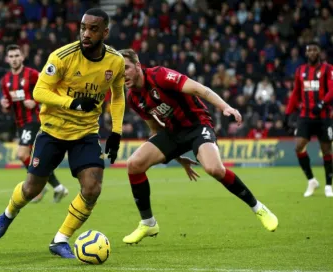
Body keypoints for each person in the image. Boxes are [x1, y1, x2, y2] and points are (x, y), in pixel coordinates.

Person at [0, 8, 125, 258]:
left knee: (93, 188)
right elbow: (39, 91)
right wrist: (71, 103)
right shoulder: (62, 56)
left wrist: (116, 131)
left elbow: (117, 96)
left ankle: (60, 239)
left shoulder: (116, 61)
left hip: (85, 133)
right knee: (31, 189)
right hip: (52, 130)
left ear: (105, 32)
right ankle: (9, 213)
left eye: (93, 29)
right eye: (83, 27)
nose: (86, 33)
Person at [118, 48, 278, 245]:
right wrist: (178, 157)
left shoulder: (160, 76)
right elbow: (155, 129)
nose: (122, 73)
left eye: (125, 68)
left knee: (213, 168)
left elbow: (199, 89)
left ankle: (258, 208)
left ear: (138, 66)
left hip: (197, 125)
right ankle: (148, 222)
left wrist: (225, 107)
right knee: (134, 164)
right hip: (172, 133)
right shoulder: (134, 98)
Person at [0, 44, 68, 203]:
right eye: (11, 56)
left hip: (35, 119)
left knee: (22, 154)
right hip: (20, 123)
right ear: (7, 59)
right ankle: (57, 187)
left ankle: (39, 185)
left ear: (22, 57)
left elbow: (50, 88)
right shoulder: (6, 81)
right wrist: (5, 104)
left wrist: (36, 102)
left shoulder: (32, 74)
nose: (14, 59)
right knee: (34, 159)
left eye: (17, 56)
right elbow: (9, 103)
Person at [285, 42, 333, 198]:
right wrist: (288, 113)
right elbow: (296, 93)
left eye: (314, 50)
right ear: (306, 53)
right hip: (305, 116)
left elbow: (332, 89)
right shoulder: (300, 71)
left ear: (319, 52)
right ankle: (311, 180)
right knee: (299, 147)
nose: (312, 52)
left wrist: (322, 103)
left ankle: (328, 185)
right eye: (309, 50)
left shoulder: (328, 69)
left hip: (324, 117)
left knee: (326, 150)